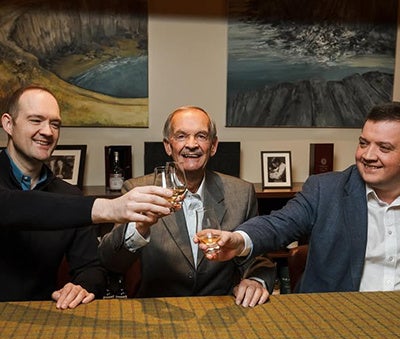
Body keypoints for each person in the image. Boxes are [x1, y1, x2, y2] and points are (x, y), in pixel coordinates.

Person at [196, 101, 400, 293]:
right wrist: (239, 240)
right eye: (363, 143)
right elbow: (278, 224)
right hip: (338, 312)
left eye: (384, 148)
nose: (368, 155)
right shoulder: (325, 189)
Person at [0, 85, 173, 308]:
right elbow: (13, 206)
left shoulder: (68, 195)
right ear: (8, 124)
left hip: (43, 317)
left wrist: (82, 286)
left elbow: (92, 268)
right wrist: (109, 208)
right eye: (36, 120)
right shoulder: (73, 204)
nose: (48, 132)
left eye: (55, 124)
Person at [99, 106, 276, 307]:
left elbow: (258, 257)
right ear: (168, 146)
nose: (192, 145)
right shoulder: (137, 191)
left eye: (201, 136)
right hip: (159, 310)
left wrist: (255, 280)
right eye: (181, 136)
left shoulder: (241, 193)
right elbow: (111, 262)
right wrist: (139, 227)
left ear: (213, 146)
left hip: (221, 310)